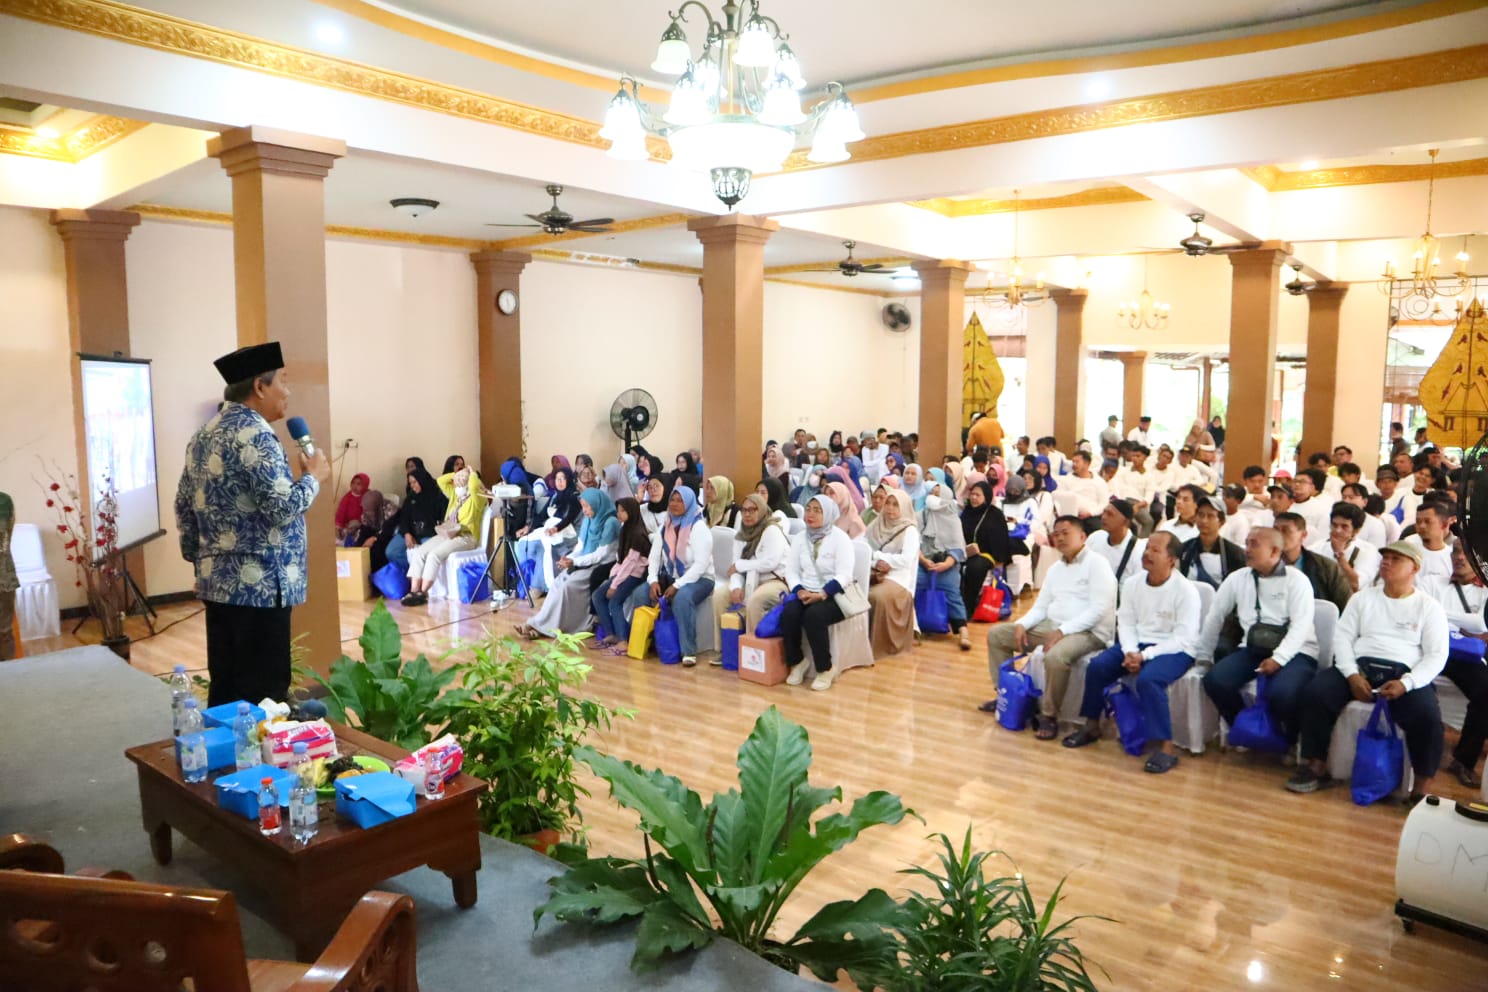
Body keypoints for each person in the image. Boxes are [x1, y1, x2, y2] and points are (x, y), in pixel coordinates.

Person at [175, 342, 329, 706]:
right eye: (283, 383)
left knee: (226, 690)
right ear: (260, 387)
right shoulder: (257, 434)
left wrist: (202, 562)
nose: (287, 393)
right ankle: (256, 765)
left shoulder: (203, 435)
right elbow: (282, 507)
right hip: (261, 591)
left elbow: (184, 507)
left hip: (218, 588)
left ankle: (223, 761)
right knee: (264, 699)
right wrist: (314, 478)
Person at [1289, 541, 1447, 801]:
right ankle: (1315, 764)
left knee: (1427, 716)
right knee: (1316, 693)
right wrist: (1351, 674)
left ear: (1415, 568)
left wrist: (1406, 683)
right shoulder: (1362, 598)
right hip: (1360, 666)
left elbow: (1437, 655)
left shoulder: (1428, 607)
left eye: (1396, 559)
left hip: (1404, 673)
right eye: (1385, 557)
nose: (1387, 562)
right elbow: (1343, 638)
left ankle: (1420, 788)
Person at [1063, 532, 1201, 773]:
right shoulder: (1133, 583)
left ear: (1172, 559)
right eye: (1147, 548)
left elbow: (1183, 638)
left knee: (1150, 680)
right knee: (1098, 667)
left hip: (1175, 649)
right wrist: (1130, 651)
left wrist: (1144, 656)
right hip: (1136, 644)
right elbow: (1125, 623)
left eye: (1155, 550)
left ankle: (1165, 747)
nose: (1147, 554)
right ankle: (1092, 725)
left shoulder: (1186, 591)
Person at [983, 515, 1117, 739]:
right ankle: (1007, 694)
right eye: (1057, 534)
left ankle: (1049, 714)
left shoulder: (1098, 565)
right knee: (997, 635)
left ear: (1082, 536)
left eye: (1066, 533)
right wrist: (1021, 624)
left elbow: (1098, 611)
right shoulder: (1056, 568)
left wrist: (1063, 632)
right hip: (1053, 625)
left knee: (1055, 657)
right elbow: (1041, 606)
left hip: (1089, 632)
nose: (1061, 538)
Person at [1197, 528, 1320, 748]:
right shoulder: (1237, 578)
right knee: (1215, 681)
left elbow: (1300, 627)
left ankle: (1290, 741)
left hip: (1297, 652)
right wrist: (1204, 655)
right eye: (1246, 543)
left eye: (1254, 544)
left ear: (1274, 551)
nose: (1247, 550)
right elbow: (1214, 616)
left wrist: (1279, 659)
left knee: (1282, 694)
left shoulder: (1297, 580)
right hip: (1253, 648)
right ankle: (1246, 729)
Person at [1423, 542, 1488, 787]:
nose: (1459, 557)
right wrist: (1465, 626)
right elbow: (1422, 613)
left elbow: (1482, 624)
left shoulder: (1485, 591)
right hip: (1429, 646)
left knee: (1486, 691)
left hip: (1464, 656)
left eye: (1465, 552)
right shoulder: (1431, 582)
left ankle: (1463, 760)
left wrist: (1438, 613)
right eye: (1455, 551)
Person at [628, 485, 715, 667]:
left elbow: (701, 565)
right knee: (641, 594)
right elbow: (654, 556)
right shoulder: (666, 525)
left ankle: (688, 651)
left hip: (701, 579)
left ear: (689, 503)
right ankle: (649, 643)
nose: (675, 504)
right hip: (671, 576)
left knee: (682, 598)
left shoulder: (698, 527)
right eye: (672, 500)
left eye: (680, 500)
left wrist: (678, 585)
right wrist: (652, 580)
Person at [780, 494, 858, 691]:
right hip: (806, 591)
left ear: (829, 513)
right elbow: (791, 570)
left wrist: (822, 594)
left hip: (834, 594)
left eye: (817, 510)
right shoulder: (799, 538)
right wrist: (798, 590)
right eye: (808, 509)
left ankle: (825, 669)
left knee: (814, 616)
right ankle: (797, 662)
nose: (810, 514)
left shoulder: (840, 539)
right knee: (789, 613)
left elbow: (845, 575)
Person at [520, 488, 619, 639]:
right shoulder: (588, 521)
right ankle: (541, 624)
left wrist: (574, 561)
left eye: (587, 506)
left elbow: (600, 555)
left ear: (597, 504)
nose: (584, 511)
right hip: (585, 562)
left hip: (602, 566)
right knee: (558, 582)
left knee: (568, 586)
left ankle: (550, 627)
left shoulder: (610, 523)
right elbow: (580, 547)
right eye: (583, 506)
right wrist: (568, 558)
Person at [710, 493, 790, 645]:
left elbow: (769, 563)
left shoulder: (772, 530)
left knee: (755, 601)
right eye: (744, 510)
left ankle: (753, 650)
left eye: (752, 510)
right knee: (719, 597)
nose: (747, 514)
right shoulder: (741, 535)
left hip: (774, 581)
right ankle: (725, 649)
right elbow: (735, 569)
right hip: (749, 580)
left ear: (762, 511)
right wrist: (735, 587)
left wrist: (741, 565)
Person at [403, 465, 487, 606]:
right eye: (458, 481)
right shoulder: (455, 495)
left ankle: (422, 593)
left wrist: (471, 474)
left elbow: (473, 487)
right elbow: (441, 481)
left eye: (463, 481)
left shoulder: (477, 498)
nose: (459, 483)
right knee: (420, 553)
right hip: (447, 533)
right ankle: (413, 591)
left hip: (465, 537)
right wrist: (456, 475)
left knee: (433, 555)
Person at [589, 497, 652, 652]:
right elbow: (621, 559)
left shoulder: (637, 533)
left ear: (632, 511)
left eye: (623, 510)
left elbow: (631, 563)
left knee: (614, 601)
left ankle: (623, 639)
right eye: (618, 510)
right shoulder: (626, 529)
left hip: (635, 575)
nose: (619, 514)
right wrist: (612, 578)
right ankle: (611, 633)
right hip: (623, 573)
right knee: (597, 596)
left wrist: (615, 584)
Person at [918, 476, 972, 650]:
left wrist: (947, 564)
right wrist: (924, 561)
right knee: (917, 584)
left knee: (952, 592)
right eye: (931, 493)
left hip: (946, 562)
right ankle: (917, 625)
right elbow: (914, 542)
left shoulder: (953, 518)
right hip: (924, 561)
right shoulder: (922, 515)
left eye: (937, 494)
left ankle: (962, 631)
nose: (932, 497)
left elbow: (957, 546)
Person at [866, 488, 919, 657]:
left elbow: (906, 559)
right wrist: (877, 561)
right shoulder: (877, 523)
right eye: (888, 503)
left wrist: (883, 559)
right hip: (873, 570)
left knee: (875, 596)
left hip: (898, 577)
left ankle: (878, 646)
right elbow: (864, 548)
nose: (890, 508)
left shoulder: (909, 530)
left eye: (895, 505)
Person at [515, 465, 581, 593]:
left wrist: (556, 528)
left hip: (567, 533)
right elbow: (542, 516)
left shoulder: (574, 496)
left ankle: (540, 586)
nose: (559, 482)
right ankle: (523, 582)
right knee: (524, 542)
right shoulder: (555, 496)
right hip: (551, 530)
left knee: (542, 547)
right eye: (557, 479)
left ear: (569, 480)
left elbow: (569, 518)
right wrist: (528, 528)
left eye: (563, 479)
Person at [1273, 512, 1352, 612]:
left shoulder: (1326, 568)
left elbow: (1346, 607)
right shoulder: (1262, 566)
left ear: (1303, 535)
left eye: (1286, 531)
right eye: (1275, 531)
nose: (1279, 536)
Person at [960, 480, 1015, 609]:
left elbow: (1001, 541)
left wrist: (999, 562)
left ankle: (969, 606)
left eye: (978, 495)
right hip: (965, 552)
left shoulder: (994, 514)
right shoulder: (966, 513)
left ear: (986, 497)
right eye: (972, 494)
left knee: (975, 567)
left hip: (986, 554)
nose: (973, 498)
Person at [1310, 501, 1380, 593]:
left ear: (1356, 530)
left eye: (1344, 526)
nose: (1338, 530)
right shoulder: (1318, 547)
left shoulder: (1368, 550)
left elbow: (1355, 585)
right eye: (1334, 525)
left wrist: (1339, 554)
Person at [1178, 496, 1245, 589]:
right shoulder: (1184, 549)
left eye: (1210, 516)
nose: (1204, 520)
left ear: (1221, 522)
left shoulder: (1234, 554)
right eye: (1201, 515)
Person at [1086, 500, 1146, 588]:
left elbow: (1139, 587)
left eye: (1110, 514)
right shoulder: (1095, 537)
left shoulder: (1139, 549)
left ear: (1126, 522)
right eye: (1104, 513)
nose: (1103, 517)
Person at [393, 465, 442, 571]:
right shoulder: (411, 496)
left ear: (422, 480)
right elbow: (404, 517)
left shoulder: (437, 495)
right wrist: (406, 533)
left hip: (429, 533)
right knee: (392, 551)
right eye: (410, 483)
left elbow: (441, 518)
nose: (412, 486)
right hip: (410, 531)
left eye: (415, 482)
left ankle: (419, 576)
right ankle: (410, 572)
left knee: (428, 554)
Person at [1405, 501, 1455, 582]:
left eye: (1427, 521)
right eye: (1418, 522)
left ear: (1444, 525)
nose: (1422, 526)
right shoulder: (1407, 553)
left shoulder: (1452, 557)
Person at [1061, 450, 1110, 523]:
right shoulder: (1066, 479)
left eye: (1077, 462)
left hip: (1092, 517)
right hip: (1070, 517)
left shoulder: (1099, 482)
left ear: (1086, 464)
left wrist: (1090, 513)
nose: (1074, 464)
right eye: (1073, 461)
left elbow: (1104, 503)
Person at [1288, 469, 1334, 538]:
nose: (1297, 484)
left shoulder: (1322, 509)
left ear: (1312, 487)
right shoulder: (1286, 505)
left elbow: (1323, 535)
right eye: (1295, 481)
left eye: (1302, 482)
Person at [0, 491, 16, 661]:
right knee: (4, 633)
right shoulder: (4, 500)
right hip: (5, 575)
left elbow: (5, 541)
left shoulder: (4, 501)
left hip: (4, 576)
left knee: (4, 633)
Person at [334, 473, 370, 540]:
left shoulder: (367, 497)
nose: (355, 486)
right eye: (353, 483)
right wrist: (339, 524)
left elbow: (369, 513)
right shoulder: (347, 497)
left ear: (365, 485)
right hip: (348, 525)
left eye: (359, 484)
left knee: (355, 524)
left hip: (362, 525)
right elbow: (341, 512)